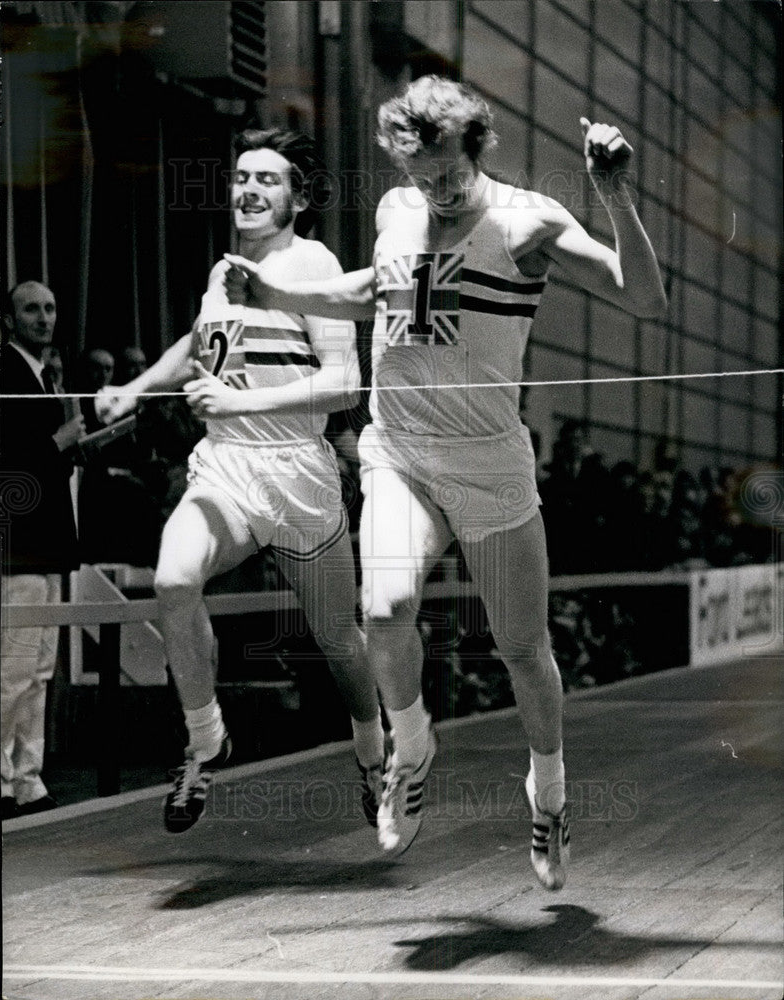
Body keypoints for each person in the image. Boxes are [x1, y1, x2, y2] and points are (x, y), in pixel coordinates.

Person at [224, 76, 667, 888]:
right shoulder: (399, 212)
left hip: (491, 466)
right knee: (384, 608)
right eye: (418, 176)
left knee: (522, 649)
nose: (434, 191)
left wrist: (614, 194)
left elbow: (643, 297)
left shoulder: (528, 220)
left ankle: (549, 794)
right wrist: (277, 291)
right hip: (401, 452)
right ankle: (413, 745)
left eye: (447, 177)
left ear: (478, 147)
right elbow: (372, 293)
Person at [96, 128, 384, 833]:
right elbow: (198, 341)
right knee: (172, 581)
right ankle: (204, 739)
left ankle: (375, 752)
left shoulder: (314, 264)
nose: (248, 189)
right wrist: (135, 388)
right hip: (226, 464)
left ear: (298, 197)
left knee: (338, 640)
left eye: (268, 179)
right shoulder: (223, 268)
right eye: (241, 177)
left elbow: (344, 383)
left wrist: (239, 401)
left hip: (298, 475)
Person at [0, 281, 85, 819]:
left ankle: (27, 779)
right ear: (9, 319)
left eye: (51, 307)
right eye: (31, 308)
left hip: (47, 543)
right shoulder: (4, 370)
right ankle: (3, 780)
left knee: (41, 671)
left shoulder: (41, 373)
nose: (44, 317)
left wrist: (74, 446)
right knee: (13, 668)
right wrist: (60, 441)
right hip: (20, 545)